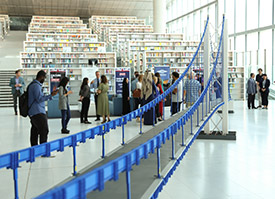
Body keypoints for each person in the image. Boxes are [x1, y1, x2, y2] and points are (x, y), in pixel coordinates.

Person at [28, 70, 58, 146]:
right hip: (38, 111)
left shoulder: (33, 85)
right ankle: (43, 149)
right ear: (41, 77)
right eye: (44, 78)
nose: (44, 79)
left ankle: (34, 149)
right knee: (44, 130)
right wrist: (50, 95)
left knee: (35, 130)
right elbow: (39, 99)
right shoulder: (36, 86)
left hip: (33, 112)